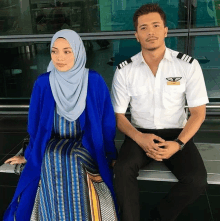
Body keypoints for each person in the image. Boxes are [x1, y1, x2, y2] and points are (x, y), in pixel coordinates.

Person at [4, 29, 118, 221]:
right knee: (54, 155)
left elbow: (106, 121)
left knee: (68, 156)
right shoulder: (43, 82)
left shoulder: (93, 80)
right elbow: (35, 125)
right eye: (54, 51)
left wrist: (111, 154)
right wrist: (29, 154)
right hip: (50, 146)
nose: (59, 57)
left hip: (86, 147)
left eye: (67, 51)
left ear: (78, 52)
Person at [111, 4, 209, 221]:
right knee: (123, 169)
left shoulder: (187, 66)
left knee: (196, 179)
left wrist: (179, 144)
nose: (150, 32)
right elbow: (118, 116)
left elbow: (198, 113)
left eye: (156, 25)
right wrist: (139, 138)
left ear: (165, 30)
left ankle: (159, 216)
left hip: (177, 134)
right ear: (136, 35)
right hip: (139, 134)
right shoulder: (124, 70)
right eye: (144, 28)